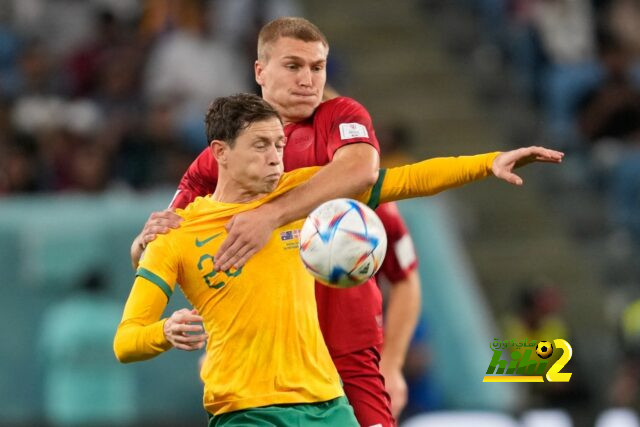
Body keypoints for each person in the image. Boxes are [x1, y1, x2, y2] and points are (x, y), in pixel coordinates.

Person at [128, 17, 558, 426]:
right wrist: (143, 245)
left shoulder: (339, 116)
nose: (308, 79)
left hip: (348, 333)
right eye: (294, 66)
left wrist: (485, 163)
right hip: (266, 352)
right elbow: (169, 232)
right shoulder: (224, 157)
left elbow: (368, 174)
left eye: (317, 67)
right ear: (259, 70)